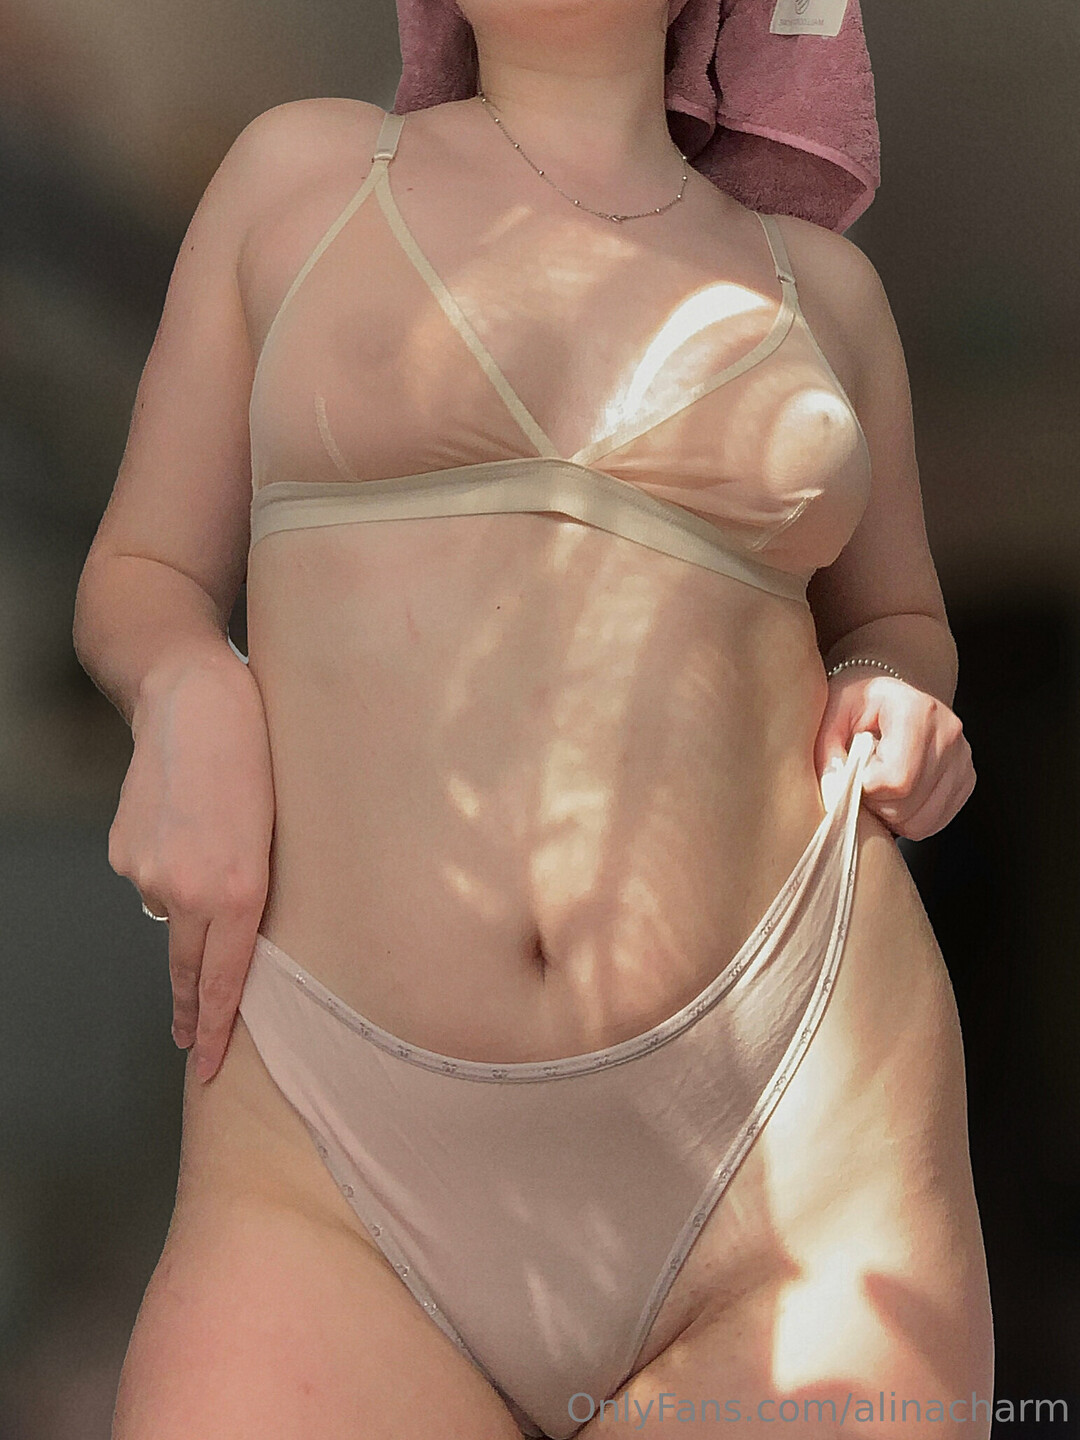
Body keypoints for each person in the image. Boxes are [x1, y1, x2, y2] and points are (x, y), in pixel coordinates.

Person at [72, 1, 993, 1435]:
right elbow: (142, 573)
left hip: (801, 1119)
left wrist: (898, 691)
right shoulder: (299, 176)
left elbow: (899, 620)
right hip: (327, 1141)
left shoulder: (826, 292)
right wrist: (187, 688)